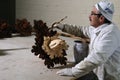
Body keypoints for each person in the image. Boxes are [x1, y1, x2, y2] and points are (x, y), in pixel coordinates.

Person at [54, 0, 120, 80]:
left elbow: (97, 57)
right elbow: (82, 30)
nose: (89, 16)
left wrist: (74, 71)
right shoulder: (98, 28)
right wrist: (63, 27)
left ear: (101, 18)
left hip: (109, 77)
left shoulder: (110, 33)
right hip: (98, 75)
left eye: (92, 14)